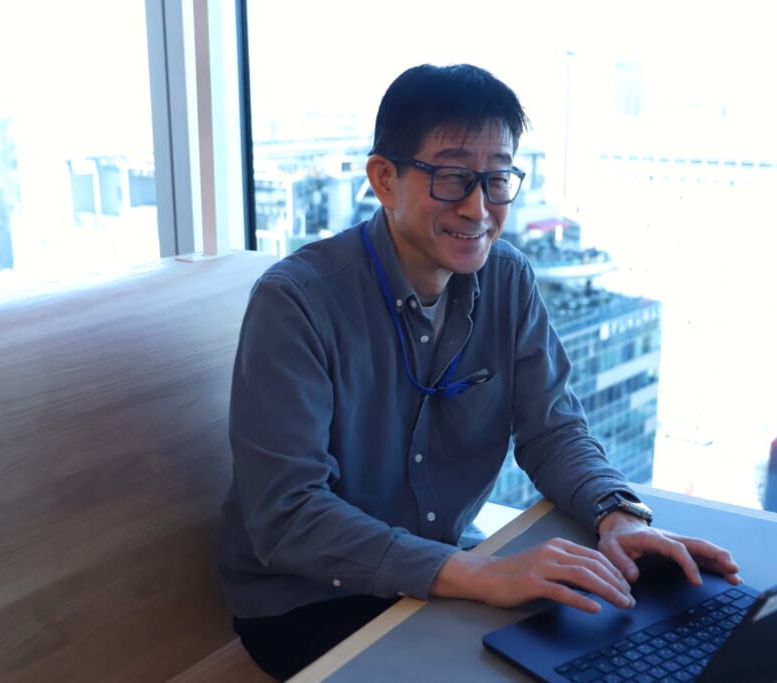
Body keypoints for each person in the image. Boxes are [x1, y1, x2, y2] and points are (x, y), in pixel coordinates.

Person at [216, 63, 741, 681]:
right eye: (451, 177)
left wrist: (617, 516)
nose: (478, 207)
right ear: (384, 179)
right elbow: (288, 516)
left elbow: (552, 430)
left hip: (442, 574)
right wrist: (481, 574)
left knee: (628, 639)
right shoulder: (297, 301)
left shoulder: (507, 277)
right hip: (306, 601)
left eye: (496, 179)